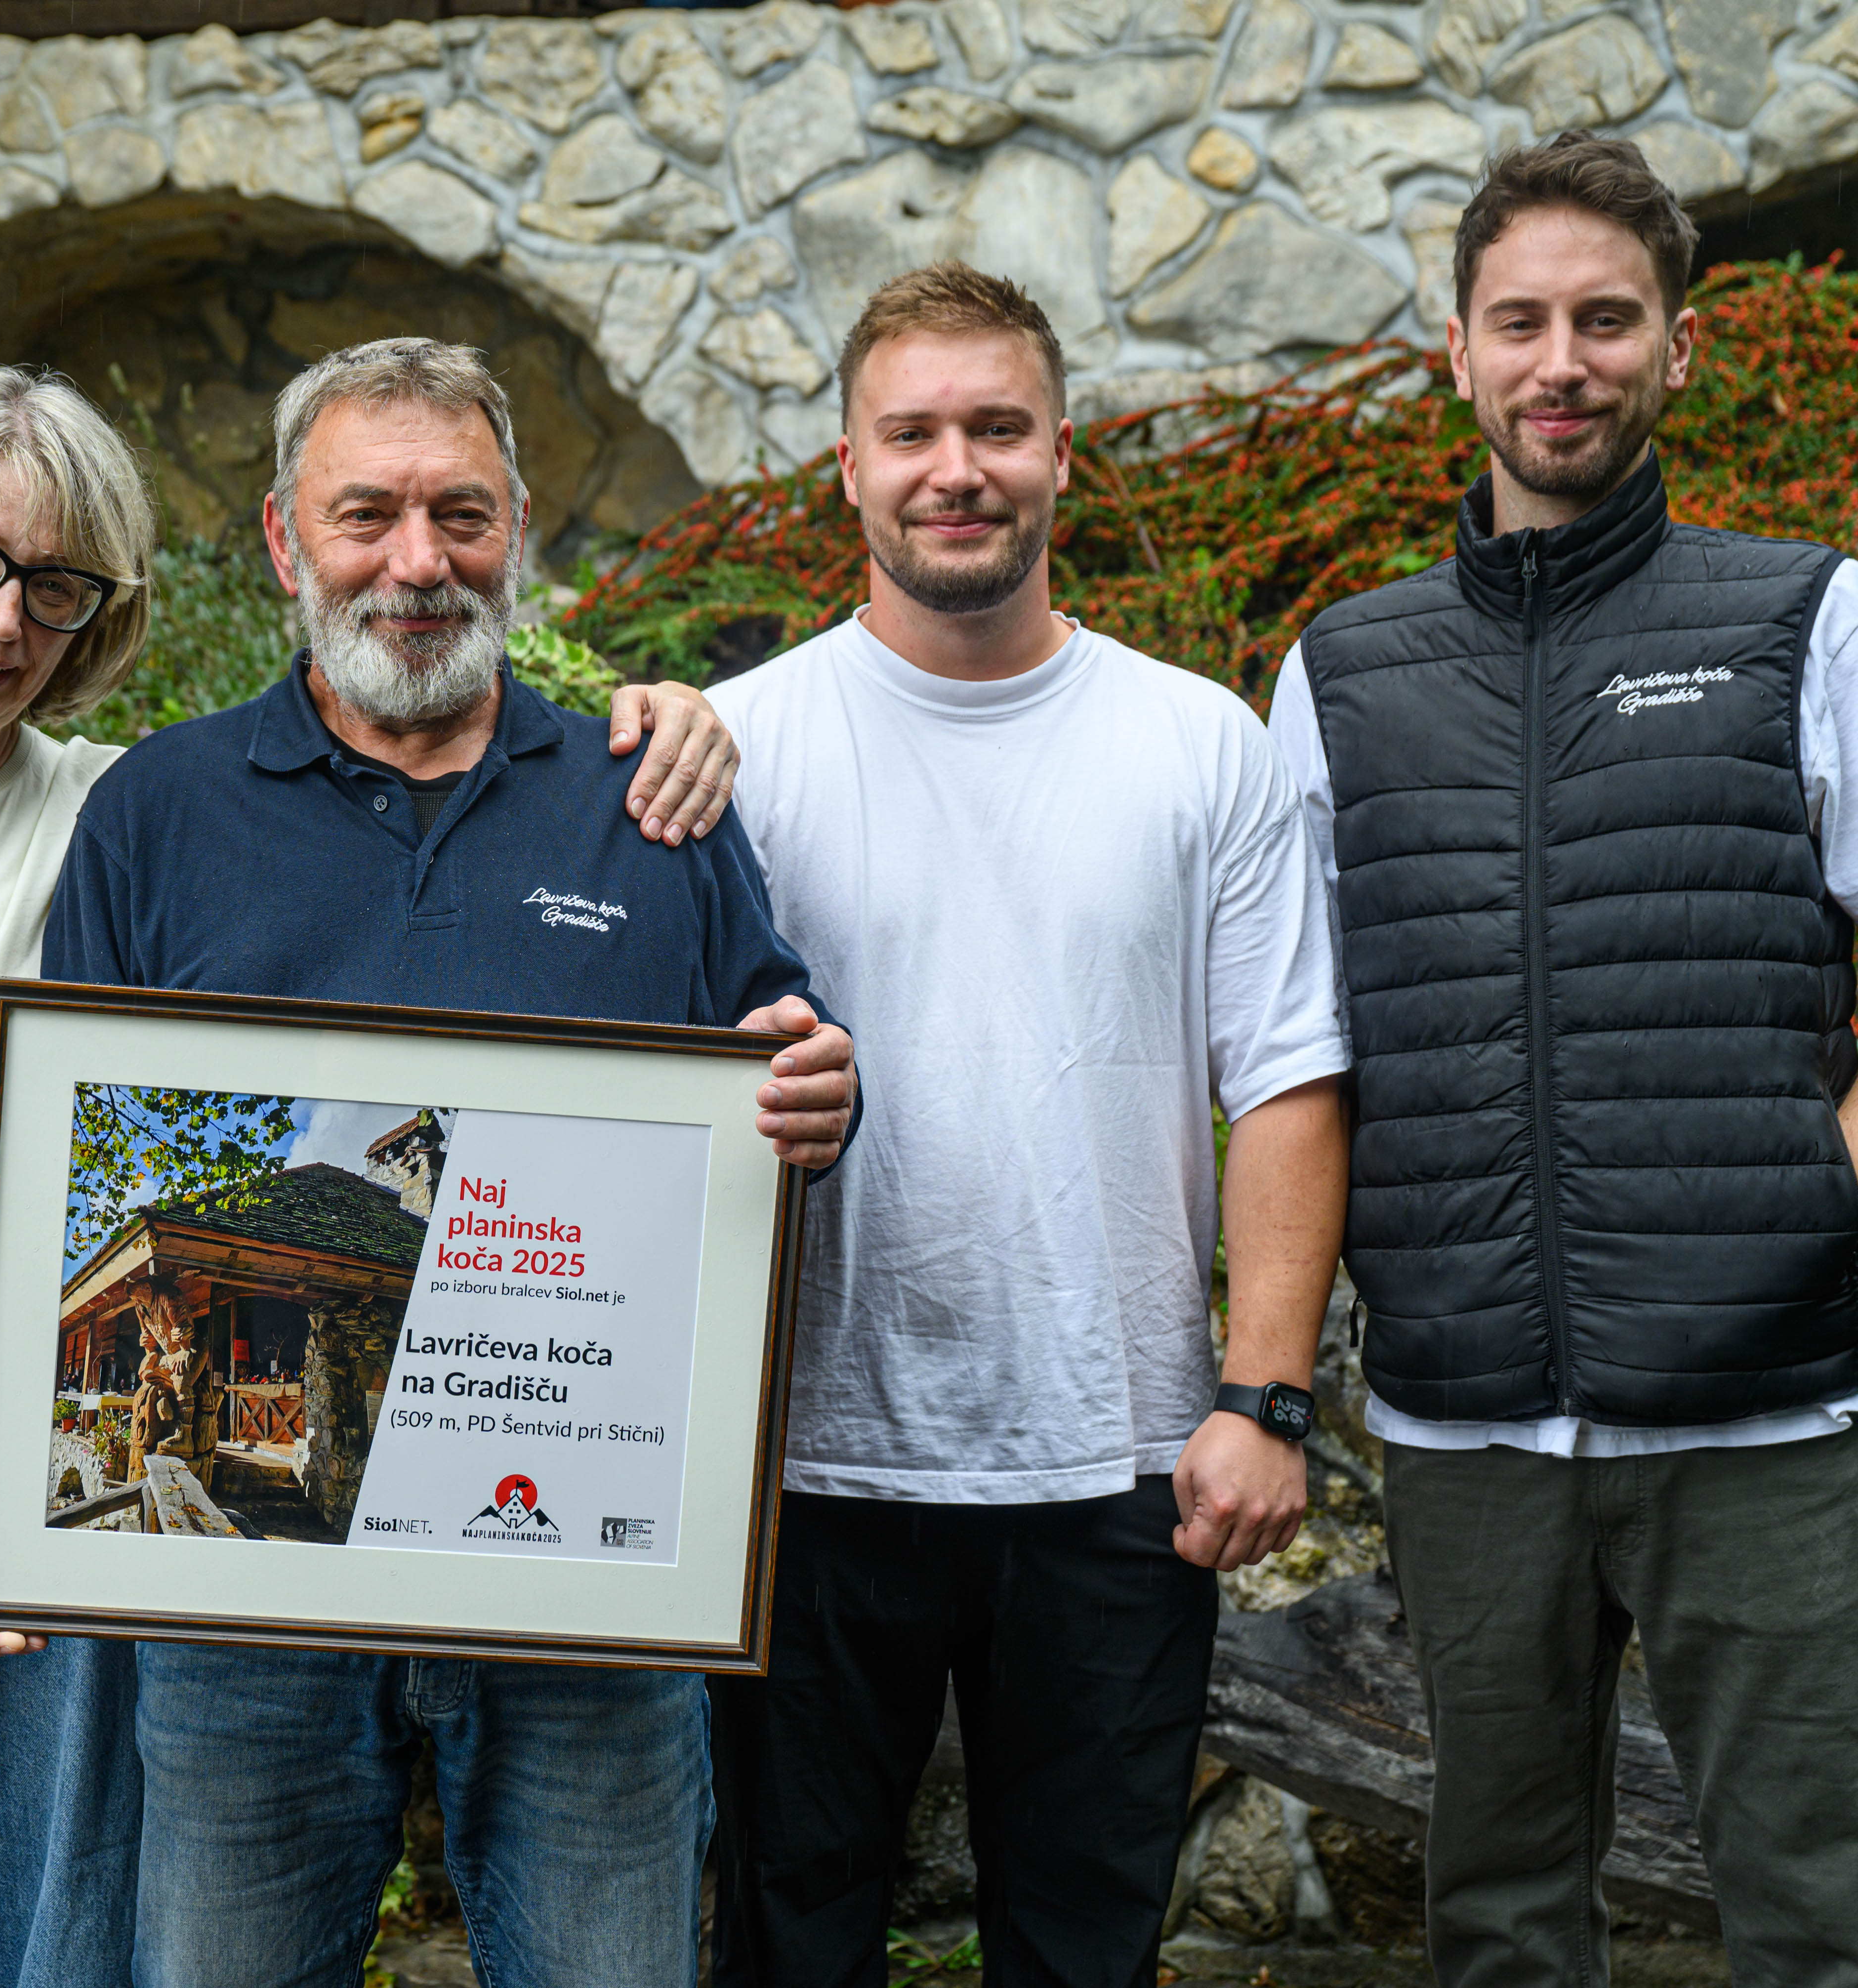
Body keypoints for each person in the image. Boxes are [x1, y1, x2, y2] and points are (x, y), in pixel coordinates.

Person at [0, 364, 744, 1986]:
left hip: (452, 1533)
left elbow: (752, 1084)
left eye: (55, 585)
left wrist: (677, 714)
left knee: (50, 1947)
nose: (3, 619)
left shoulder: (121, 800)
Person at [0, 337, 859, 1988]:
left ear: (517, 533)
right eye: (367, 516)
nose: (419, 562)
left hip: (588, 1582)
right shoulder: (159, 811)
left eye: (460, 515)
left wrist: (816, 1097)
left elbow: (773, 1091)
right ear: (289, 541)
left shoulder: (651, 802)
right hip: (246, 1621)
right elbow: (57, 1175)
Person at [1267, 131, 1858, 1988]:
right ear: (1456, 351)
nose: (1563, 362)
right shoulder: (1339, 675)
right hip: (1466, 1426)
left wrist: (1804, 1219)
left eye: (1608, 320)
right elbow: (1296, 1044)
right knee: (1502, 1927)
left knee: (1811, 1927)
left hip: (1769, 1421)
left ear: (1680, 346)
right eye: (1520, 322)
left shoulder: (1811, 617)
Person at [694, 263, 1351, 1988]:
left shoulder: (1200, 746)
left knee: (1084, 1951)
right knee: (786, 1947)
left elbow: (1290, 1078)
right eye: (912, 433)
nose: (956, 469)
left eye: (997, 428)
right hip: (799, 1466)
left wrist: (1264, 1397)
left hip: (1116, 1464)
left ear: (1063, 452)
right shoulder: (734, 755)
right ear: (847, 466)